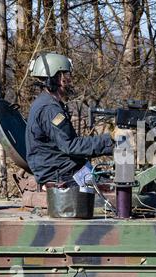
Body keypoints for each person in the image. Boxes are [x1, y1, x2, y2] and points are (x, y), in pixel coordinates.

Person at [25, 52, 114, 189]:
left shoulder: (46, 103)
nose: (69, 81)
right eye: (66, 76)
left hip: (66, 170)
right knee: (122, 190)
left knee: (116, 182)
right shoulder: (50, 109)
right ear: (57, 78)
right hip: (63, 175)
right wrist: (111, 140)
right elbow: (71, 146)